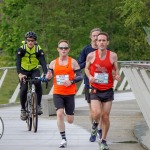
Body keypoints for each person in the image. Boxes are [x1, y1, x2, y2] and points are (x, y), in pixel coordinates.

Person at [85, 32, 121, 150]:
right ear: (96, 42)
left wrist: (117, 75)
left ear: (107, 42)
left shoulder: (113, 56)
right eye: (99, 40)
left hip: (108, 89)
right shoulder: (91, 55)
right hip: (95, 88)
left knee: (105, 116)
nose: (101, 42)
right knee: (96, 113)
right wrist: (90, 77)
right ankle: (95, 125)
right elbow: (86, 68)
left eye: (103, 40)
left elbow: (116, 69)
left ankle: (103, 140)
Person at [46, 39, 83, 148]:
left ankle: (69, 115)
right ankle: (63, 138)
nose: (63, 50)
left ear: (68, 50)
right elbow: (48, 75)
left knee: (70, 120)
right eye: (61, 48)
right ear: (58, 49)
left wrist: (71, 81)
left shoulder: (73, 62)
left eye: (65, 48)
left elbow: (80, 76)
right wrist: (48, 77)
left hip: (70, 93)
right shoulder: (53, 63)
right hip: (57, 92)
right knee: (59, 113)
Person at [77, 28, 103, 142]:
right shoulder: (86, 50)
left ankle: (101, 131)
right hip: (90, 83)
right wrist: (89, 62)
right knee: (93, 110)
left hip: (103, 83)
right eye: (94, 36)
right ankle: (94, 128)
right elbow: (79, 65)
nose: (96, 38)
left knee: (101, 110)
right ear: (90, 37)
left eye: (98, 36)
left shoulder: (105, 49)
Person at [16, 31, 48, 121]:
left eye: (32, 41)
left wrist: (45, 73)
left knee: (38, 82)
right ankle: (23, 109)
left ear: (35, 41)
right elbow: (18, 63)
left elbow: (43, 62)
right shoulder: (21, 49)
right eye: (29, 40)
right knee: (24, 88)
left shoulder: (38, 49)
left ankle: (38, 105)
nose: (30, 42)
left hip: (34, 70)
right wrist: (20, 74)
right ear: (26, 41)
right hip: (23, 71)